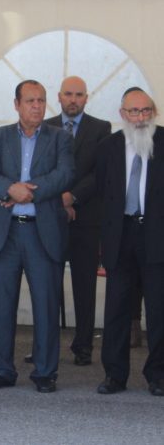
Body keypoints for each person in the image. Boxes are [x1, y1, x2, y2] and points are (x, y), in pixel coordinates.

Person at [0, 80, 74, 393]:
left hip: (42, 233)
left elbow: (65, 174)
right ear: (17, 104)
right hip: (5, 234)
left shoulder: (60, 138)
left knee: (46, 305)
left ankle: (45, 373)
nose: (37, 106)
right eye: (30, 101)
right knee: (0, 307)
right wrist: (9, 188)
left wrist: (28, 192)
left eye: (41, 101)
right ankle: (1, 370)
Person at [96, 87, 164, 396]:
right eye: (134, 111)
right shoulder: (108, 147)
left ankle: (158, 375)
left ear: (154, 112)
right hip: (120, 235)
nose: (140, 118)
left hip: (156, 236)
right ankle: (114, 375)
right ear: (122, 114)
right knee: (116, 309)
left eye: (145, 110)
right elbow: (102, 194)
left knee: (159, 310)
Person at [46, 76, 111, 366]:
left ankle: (83, 346)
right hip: (51, 218)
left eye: (79, 95)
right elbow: (41, 169)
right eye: (69, 94)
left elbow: (100, 172)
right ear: (59, 97)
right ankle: (44, 346)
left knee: (85, 286)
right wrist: (58, 199)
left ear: (87, 98)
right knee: (47, 285)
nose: (73, 99)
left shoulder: (101, 128)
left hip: (86, 219)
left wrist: (72, 197)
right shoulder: (45, 126)